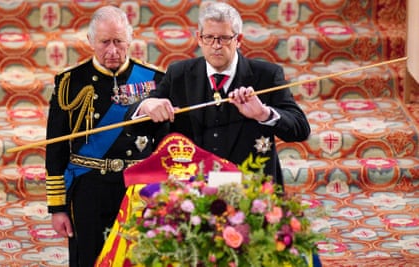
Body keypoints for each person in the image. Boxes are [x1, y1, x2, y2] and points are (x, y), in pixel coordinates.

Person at [137, 2, 310, 190]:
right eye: (209, 38)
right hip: (192, 190)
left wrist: (264, 114)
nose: (216, 46)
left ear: (239, 39)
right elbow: (140, 124)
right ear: (199, 38)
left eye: (224, 38)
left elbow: (301, 129)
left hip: (251, 191)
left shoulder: (267, 75)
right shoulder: (178, 74)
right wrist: (146, 106)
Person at [44, 5, 166, 267]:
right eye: (104, 42)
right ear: (90, 41)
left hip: (138, 188)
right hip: (89, 187)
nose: (112, 50)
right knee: (90, 258)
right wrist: (58, 208)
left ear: (130, 39)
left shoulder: (155, 80)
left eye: (119, 41)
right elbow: (55, 149)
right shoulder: (70, 82)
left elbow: (166, 145)